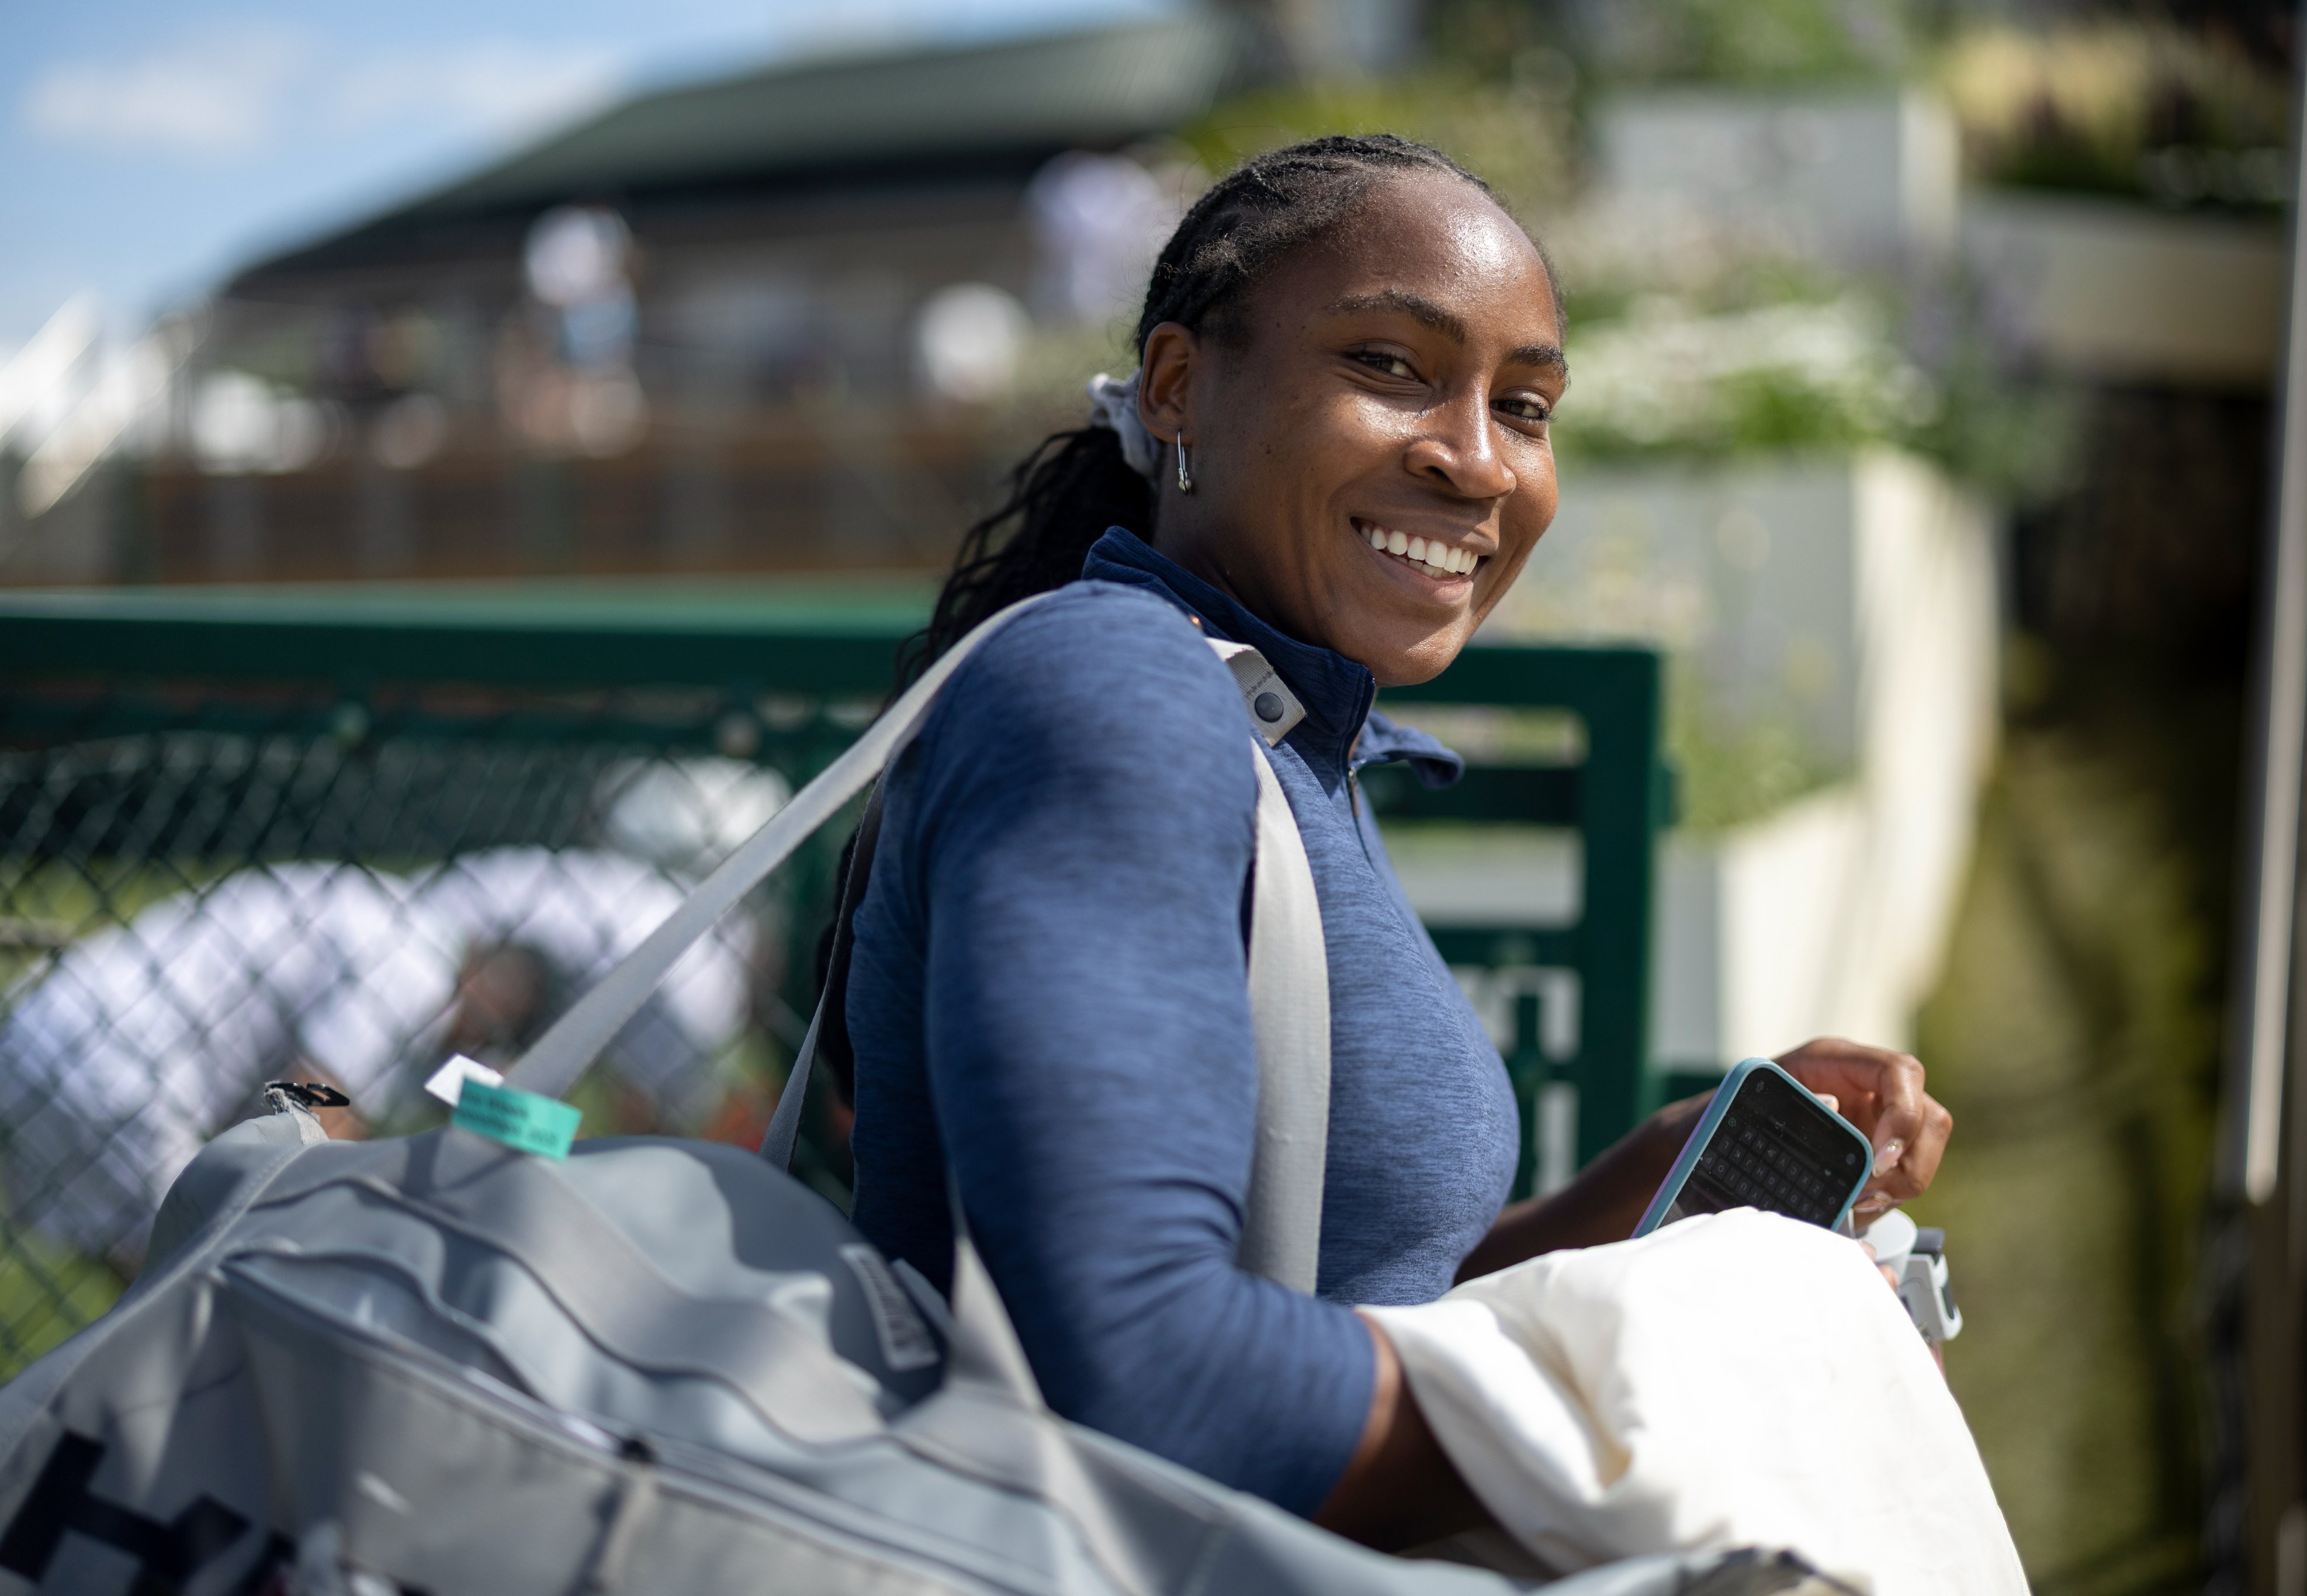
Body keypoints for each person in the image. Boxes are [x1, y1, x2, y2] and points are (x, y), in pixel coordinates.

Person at [839, 133, 1956, 1551]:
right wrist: (1699, 1399)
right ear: (1176, 386)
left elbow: (1354, 1304)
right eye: (1387, 364)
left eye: (1525, 406)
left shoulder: (1277, 736)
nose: (1476, 460)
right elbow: (1132, 1373)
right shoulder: (1116, 692)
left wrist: (1643, 1184)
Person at [0, 847, 754, 1268]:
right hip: (123, 1074)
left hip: (44, 1040)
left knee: (148, 1313)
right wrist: (349, 1217)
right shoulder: (411, 960)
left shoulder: (409, 969)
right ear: (493, 989)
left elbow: (470, 1095)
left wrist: (583, 1160)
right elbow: (312, 1101)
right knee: (208, 1301)